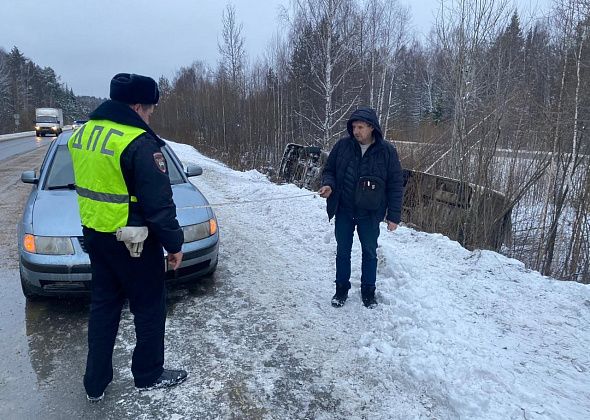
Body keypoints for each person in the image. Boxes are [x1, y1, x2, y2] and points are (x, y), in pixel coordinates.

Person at [68, 73, 188, 402]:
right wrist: (174, 245)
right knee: (149, 307)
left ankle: (95, 382)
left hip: (96, 236)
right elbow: (159, 205)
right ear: (136, 106)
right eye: (149, 110)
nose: (149, 117)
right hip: (134, 242)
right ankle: (148, 374)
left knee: (104, 307)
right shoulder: (137, 141)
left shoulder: (83, 134)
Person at [319, 107, 404, 308]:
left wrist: (394, 216)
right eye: (353, 127)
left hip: (370, 213)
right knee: (343, 251)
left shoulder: (387, 152)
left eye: (360, 127)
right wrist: (328, 185)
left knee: (370, 252)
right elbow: (329, 170)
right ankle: (341, 291)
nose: (356, 131)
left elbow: (395, 184)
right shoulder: (343, 146)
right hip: (344, 210)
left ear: (372, 128)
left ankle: (368, 292)